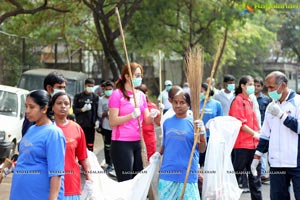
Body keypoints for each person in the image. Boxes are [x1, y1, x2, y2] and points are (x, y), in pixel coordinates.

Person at [251, 71, 300, 200]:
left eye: (272, 87)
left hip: (296, 162)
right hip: (276, 162)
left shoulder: (298, 102)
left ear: (283, 85)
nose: (269, 91)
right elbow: (265, 134)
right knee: (277, 197)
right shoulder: (270, 106)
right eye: (267, 87)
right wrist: (257, 156)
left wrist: (282, 116)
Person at [10, 90, 66, 200]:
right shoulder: (31, 129)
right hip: (20, 193)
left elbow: (56, 173)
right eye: (26, 106)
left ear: (44, 108)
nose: (27, 111)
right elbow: (26, 158)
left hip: (39, 194)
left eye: (31, 107)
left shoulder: (54, 134)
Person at [108, 62, 157, 182]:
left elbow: (146, 120)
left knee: (138, 180)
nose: (139, 78)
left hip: (138, 142)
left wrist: (153, 115)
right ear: (127, 76)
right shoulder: (117, 94)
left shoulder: (140, 95)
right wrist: (131, 115)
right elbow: (113, 121)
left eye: (140, 75)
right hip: (121, 143)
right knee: (126, 181)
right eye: (137, 75)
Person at [158, 90, 206, 200]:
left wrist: (202, 134)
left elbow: (202, 149)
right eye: (175, 102)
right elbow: (165, 145)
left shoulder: (195, 123)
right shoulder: (167, 122)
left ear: (189, 105)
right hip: (167, 173)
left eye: (182, 102)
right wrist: (157, 155)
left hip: (188, 172)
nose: (178, 105)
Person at [52, 92, 93, 199]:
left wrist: (89, 177)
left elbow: (83, 157)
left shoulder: (77, 128)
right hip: (50, 182)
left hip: (71, 183)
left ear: (70, 107)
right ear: (52, 106)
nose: (63, 106)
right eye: (59, 103)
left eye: (66, 103)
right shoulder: (47, 129)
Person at [229, 75, 262, 200]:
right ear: (242, 86)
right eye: (250, 84)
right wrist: (254, 133)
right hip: (242, 146)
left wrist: (258, 135)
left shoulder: (251, 100)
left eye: (253, 84)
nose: (252, 87)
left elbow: (255, 121)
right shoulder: (238, 100)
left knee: (255, 179)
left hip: (254, 145)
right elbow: (240, 123)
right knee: (236, 176)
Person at [22, 71, 67, 136]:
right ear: (49, 88)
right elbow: (27, 134)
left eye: (64, 88)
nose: (63, 91)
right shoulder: (38, 106)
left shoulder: (63, 107)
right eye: (59, 87)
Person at [199, 82, 223, 166]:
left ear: (207, 91)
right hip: (199, 137)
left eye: (201, 91)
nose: (200, 93)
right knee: (199, 160)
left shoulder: (217, 104)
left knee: (210, 161)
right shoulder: (197, 104)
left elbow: (220, 121)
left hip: (211, 136)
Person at [136, 84, 161, 161]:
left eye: (141, 93)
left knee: (150, 160)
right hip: (136, 137)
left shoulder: (152, 106)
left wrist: (159, 113)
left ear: (146, 93)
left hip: (149, 137)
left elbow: (158, 123)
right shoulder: (132, 106)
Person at [73, 78, 98, 151]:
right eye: (89, 86)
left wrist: (97, 121)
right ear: (85, 85)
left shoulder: (95, 97)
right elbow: (74, 109)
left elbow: (96, 110)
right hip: (81, 124)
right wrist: (82, 110)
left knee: (90, 144)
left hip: (91, 125)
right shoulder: (78, 96)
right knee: (80, 144)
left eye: (92, 86)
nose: (90, 88)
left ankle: (90, 159)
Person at [254, 77, 271, 183]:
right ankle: (254, 173)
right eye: (254, 85)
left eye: (258, 86)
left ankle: (263, 174)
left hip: (263, 129)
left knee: (263, 151)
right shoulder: (248, 98)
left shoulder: (266, 99)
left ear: (261, 87)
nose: (256, 88)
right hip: (251, 129)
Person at [97, 80, 115, 172]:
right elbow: (99, 114)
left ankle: (116, 163)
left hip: (116, 127)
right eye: (106, 89)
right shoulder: (101, 100)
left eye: (110, 89)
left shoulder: (116, 98)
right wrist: (106, 112)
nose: (108, 91)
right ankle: (109, 163)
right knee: (107, 146)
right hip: (106, 127)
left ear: (113, 89)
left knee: (116, 146)